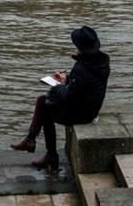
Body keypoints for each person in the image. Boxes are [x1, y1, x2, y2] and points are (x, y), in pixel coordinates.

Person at [10, 26, 110, 170]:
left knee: (45, 103)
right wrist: (67, 79)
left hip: (82, 114)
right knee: (45, 102)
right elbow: (85, 86)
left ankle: (41, 147)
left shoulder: (83, 67)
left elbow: (71, 95)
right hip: (91, 107)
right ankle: (35, 144)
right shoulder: (101, 62)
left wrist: (56, 88)